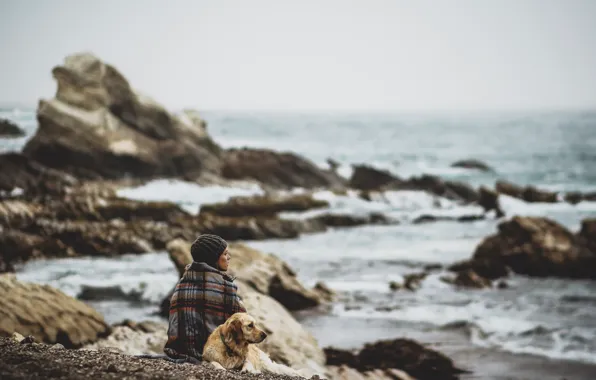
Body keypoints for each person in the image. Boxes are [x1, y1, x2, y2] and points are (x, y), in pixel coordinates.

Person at [163, 234, 246, 362]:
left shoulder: (181, 285)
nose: (229, 257)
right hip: (215, 355)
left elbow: (174, 328)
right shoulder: (226, 288)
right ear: (213, 258)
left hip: (181, 352)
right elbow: (243, 326)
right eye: (225, 254)